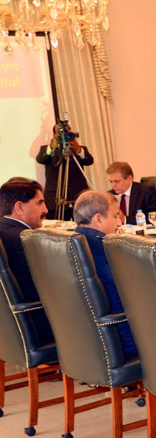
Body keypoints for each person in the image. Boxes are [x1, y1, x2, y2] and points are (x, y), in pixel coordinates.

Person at [73, 191, 136, 357]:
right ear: (99, 218)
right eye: (115, 216)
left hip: (82, 341)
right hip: (120, 340)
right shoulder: (105, 251)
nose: (119, 223)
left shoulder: (67, 245)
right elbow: (128, 295)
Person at [0, 177, 53, 343]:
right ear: (20, 207)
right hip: (36, 329)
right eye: (39, 203)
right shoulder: (25, 240)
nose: (45, 209)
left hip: (9, 330)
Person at [35, 125, 94, 219]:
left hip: (79, 198)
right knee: (57, 230)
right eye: (60, 133)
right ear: (54, 135)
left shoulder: (79, 149)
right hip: (56, 200)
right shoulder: (48, 149)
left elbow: (89, 161)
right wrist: (52, 146)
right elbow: (41, 159)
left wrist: (78, 149)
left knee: (84, 225)